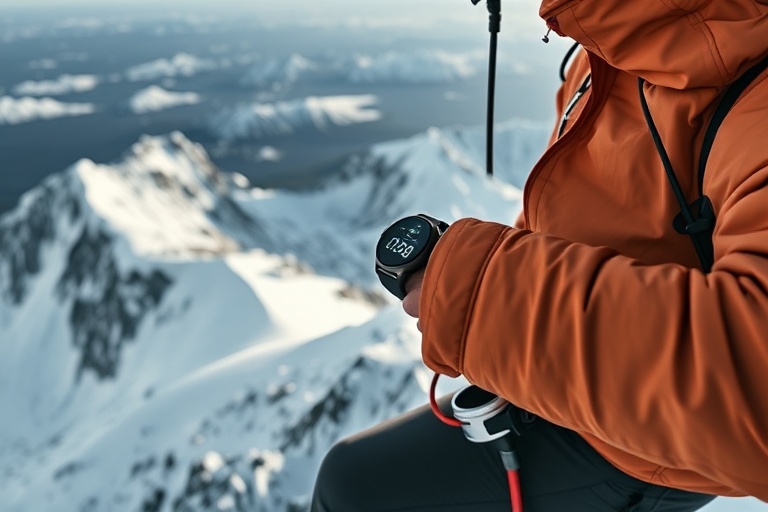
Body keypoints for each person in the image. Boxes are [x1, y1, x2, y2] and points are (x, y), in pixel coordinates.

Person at [311, 0, 768, 510]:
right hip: (582, 389)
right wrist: (518, 346)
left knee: (352, 488)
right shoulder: (611, 41)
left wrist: (483, 297)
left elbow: (754, 381)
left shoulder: (742, 76)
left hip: (647, 446)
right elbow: (590, 219)